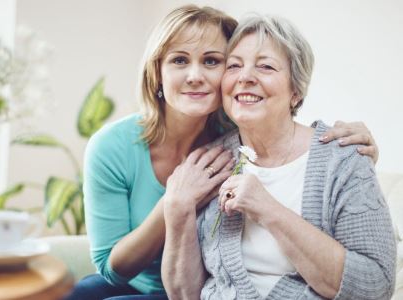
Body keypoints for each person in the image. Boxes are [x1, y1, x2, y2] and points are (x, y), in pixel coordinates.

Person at [65, 5, 381, 300]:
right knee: (83, 291)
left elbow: (286, 129)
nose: (195, 75)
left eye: (213, 61)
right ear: (156, 73)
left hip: (192, 287)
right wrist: (176, 202)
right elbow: (112, 268)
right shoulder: (112, 146)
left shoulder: (237, 135)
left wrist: (356, 150)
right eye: (179, 60)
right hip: (136, 280)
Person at [161, 13, 396, 300]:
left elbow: (375, 287)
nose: (245, 77)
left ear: (296, 90)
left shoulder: (344, 160)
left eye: (266, 66)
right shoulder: (209, 162)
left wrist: (267, 208)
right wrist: (178, 209)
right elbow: (184, 294)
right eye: (234, 65)